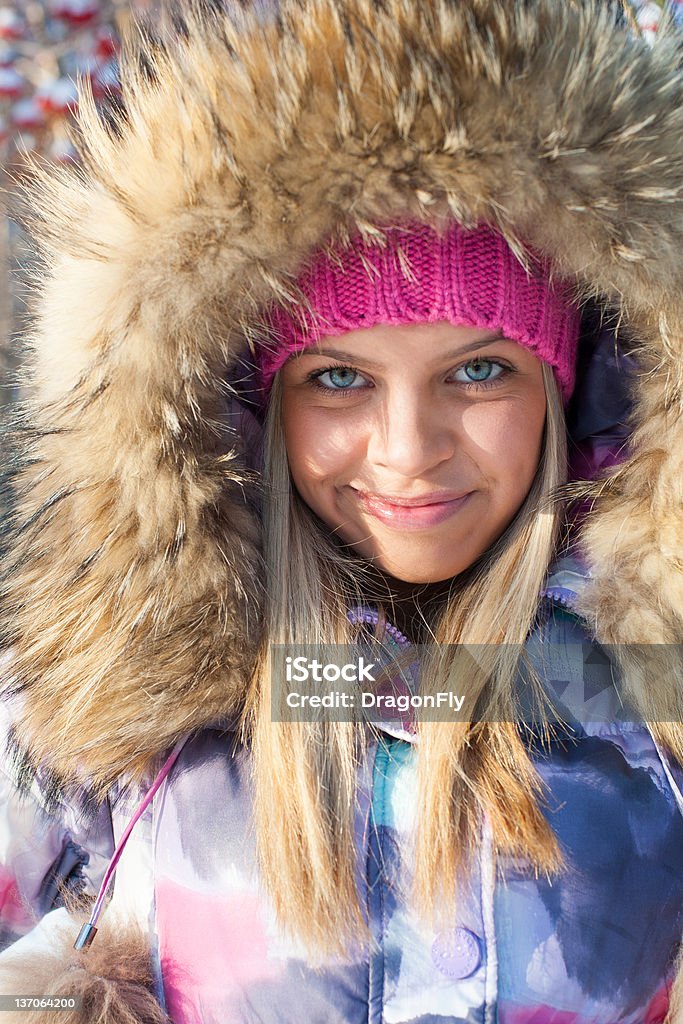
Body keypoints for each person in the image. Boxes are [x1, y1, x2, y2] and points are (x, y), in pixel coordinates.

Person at [0, 0, 682, 1022]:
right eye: (338, 380)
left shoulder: (643, 682)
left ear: (564, 382)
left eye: (479, 369)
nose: (407, 451)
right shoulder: (119, 686)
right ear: (254, 401)